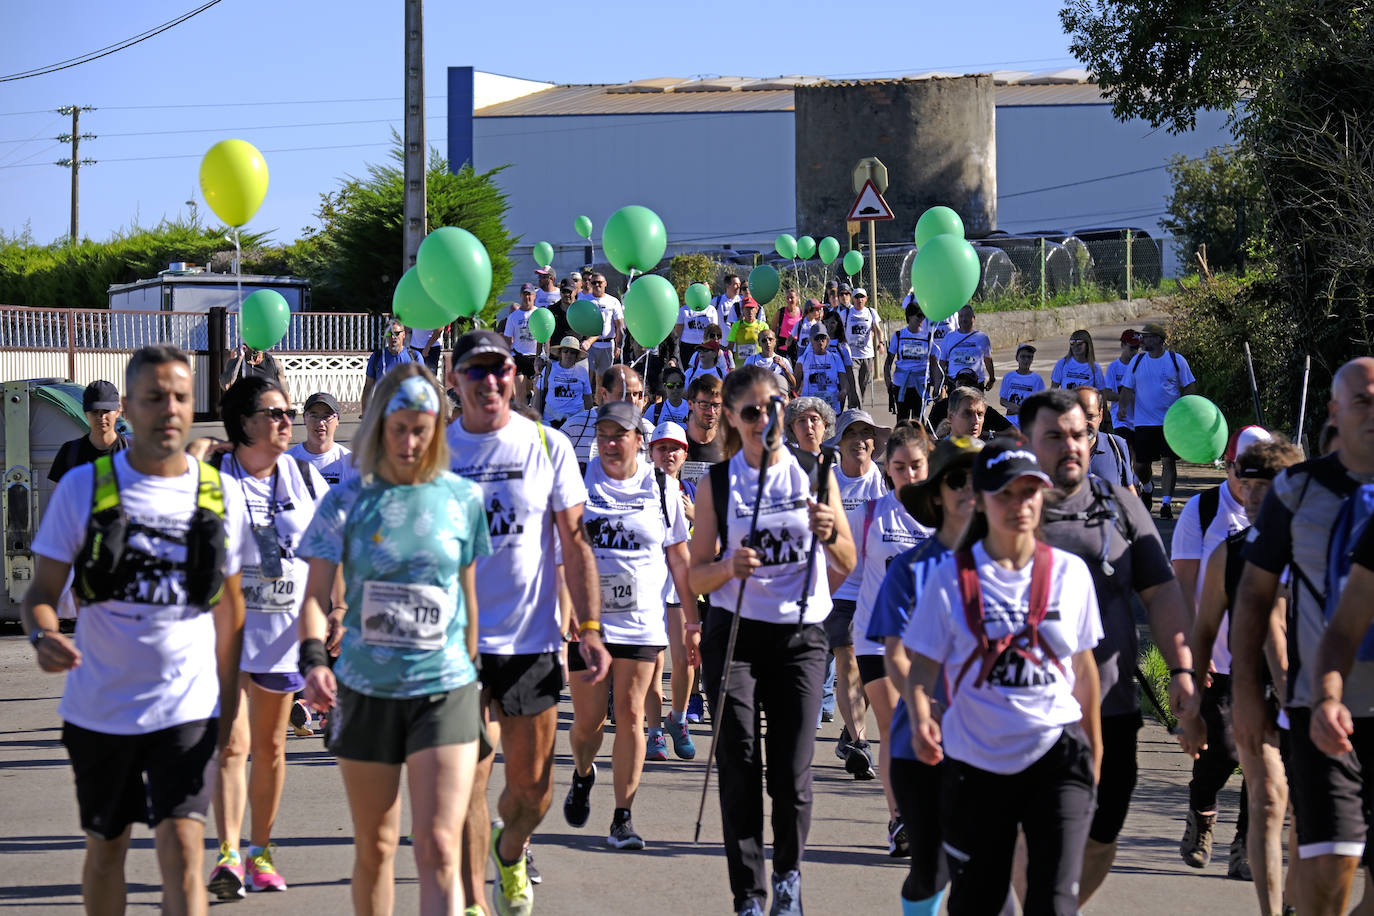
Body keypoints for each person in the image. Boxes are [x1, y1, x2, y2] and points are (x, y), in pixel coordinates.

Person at [21, 344, 252, 916]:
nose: (169, 409)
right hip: (101, 709)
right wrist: (42, 636)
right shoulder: (85, 488)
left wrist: (230, 710)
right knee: (107, 850)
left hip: (186, 708)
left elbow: (232, 614)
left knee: (181, 849)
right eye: (154, 398)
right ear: (128, 407)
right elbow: (40, 597)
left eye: (179, 397)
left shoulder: (218, 493)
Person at [296, 364, 490, 915]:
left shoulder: (462, 499)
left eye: (421, 429)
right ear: (379, 426)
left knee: (437, 846)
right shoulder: (346, 500)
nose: (409, 442)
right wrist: (314, 661)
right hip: (366, 689)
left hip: (444, 690)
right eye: (398, 427)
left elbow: (470, 603)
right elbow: (313, 599)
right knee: (377, 847)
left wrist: (477, 677)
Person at [445, 330, 611, 916]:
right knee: (465, 782)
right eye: (475, 370)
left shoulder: (547, 443)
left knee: (532, 792)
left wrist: (589, 626)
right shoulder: (437, 453)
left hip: (532, 641)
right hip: (454, 649)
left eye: (500, 369)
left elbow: (575, 542)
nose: (489, 381)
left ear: (516, 375)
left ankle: (510, 849)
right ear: (454, 377)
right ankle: (469, 899)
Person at [906, 437, 1104, 916]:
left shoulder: (1072, 573)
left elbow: (1084, 671)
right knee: (979, 902)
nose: (1020, 505)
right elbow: (923, 668)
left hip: (1057, 758)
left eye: (1029, 492)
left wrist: (1094, 757)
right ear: (981, 499)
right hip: (975, 763)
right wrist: (919, 719)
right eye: (1005, 494)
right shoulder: (950, 578)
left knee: (1053, 902)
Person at [1018, 388, 1199, 904]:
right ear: (1026, 442)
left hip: (1113, 706)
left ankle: (1060, 903)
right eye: (1054, 436)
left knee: (1104, 829)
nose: (1070, 445)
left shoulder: (1119, 505)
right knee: (1034, 831)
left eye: (1079, 434)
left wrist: (1182, 672)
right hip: (1027, 708)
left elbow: (1161, 591)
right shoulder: (1004, 512)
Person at [688, 365, 855, 916]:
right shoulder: (717, 482)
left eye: (774, 406)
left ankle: (787, 875)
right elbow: (695, 576)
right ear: (733, 420)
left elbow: (847, 562)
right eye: (752, 412)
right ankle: (749, 895)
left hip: (801, 637)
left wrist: (830, 534)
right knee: (739, 761)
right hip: (735, 635)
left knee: (791, 770)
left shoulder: (814, 472)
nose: (766, 419)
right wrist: (727, 566)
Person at [1232, 357, 1374, 916]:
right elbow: (1253, 598)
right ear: (1335, 412)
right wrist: (1247, 694)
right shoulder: (1298, 489)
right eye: (1362, 400)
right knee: (1328, 872)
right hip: (1320, 708)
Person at [207, 377, 328, 898]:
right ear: (243, 423)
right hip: (225, 636)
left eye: (288, 412)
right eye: (273, 413)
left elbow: (327, 553)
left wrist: (335, 609)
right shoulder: (212, 475)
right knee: (233, 746)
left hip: (283, 636)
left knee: (272, 749)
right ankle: (229, 855)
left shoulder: (304, 476)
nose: (286, 421)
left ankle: (261, 850)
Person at [563, 401, 694, 849]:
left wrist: (691, 618)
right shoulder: (579, 481)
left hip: (642, 622)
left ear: (640, 439)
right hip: (590, 623)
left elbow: (678, 554)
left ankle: (623, 817)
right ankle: (583, 773)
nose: (610, 443)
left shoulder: (662, 486)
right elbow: (564, 548)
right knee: (587, 723)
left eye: (619, 435)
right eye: (602, 435)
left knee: (632, 715)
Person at [1191, 436, 1304, 915]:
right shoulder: (1230, 553)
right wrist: (1191, 698)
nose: (1255, 498)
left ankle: (1298, 898)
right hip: (1249, 690)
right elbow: (1204, 630)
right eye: (1248, 485)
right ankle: (1273, 907)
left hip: (1319, 693)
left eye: (1268, 487)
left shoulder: (1323, 551)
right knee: (1269, 797)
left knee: (1301, 811)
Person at [871, 435, 983, 914]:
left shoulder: (1010, 564)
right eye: (955, 479)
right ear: (936, 493)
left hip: (990, 740)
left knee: (979, 867)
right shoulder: (911, 568)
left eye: (979, 478)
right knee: (931, 868)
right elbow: (893, 651)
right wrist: (923, 708)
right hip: (920, 743)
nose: (969, 489)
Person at [848, 423, 933, 855]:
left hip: (931, 642)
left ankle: (928, 812)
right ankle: (901, 819)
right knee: (896, 725)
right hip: (876, 637)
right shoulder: (871, 512)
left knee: (929, 729)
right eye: (899, 467)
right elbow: (843, 565)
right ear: (887, 468)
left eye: (916, 466)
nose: (909, 475)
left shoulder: (948, 517)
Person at [825, 409, 891, 780]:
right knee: (848, 660)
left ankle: (849, 735)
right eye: (853, 434)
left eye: (867, 434)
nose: (861, 440)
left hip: (877, 588)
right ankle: (862, 744)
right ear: (841, 443)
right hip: (839, 589)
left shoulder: (881, 481)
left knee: (870, 673)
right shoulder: (829, 482)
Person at [648, 420, 699, 759]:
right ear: (650, 452)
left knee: (684, 661)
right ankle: (654, 732)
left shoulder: (694, 492)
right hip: (650, 584)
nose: (668, 454)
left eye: (674, 449)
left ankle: (677, 719)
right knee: (654, 661)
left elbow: (716, 540)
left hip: (680, 585)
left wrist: (694, 515)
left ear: (685, 454)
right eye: (661, 448)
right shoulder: (641, 488)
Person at [1120, 322, 1197, 519]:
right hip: (1143, 422)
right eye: (1142, 337)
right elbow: (1127, 388)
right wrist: (1122, 408)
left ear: (1159, 339)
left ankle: (1166, 504)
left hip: (1170, 422)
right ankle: (1147, 487)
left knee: (1167, 461)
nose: (1143, 340)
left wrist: (1184, 409)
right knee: (1141, 465)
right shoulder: (1137, 362)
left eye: (1147, 337)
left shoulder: (1175, 360)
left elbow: (1189, 386)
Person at [555, 365, 650, 470]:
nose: (632, 401)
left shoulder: (648, 430)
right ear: (604, 393)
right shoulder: (575, 427)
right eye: (624, 394)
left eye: (636, 394)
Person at [49, 379, 130, 483]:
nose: (101, 417)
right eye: (95, 411)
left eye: (106, 410)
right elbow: (60, 496)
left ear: (118, 411)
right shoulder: (69, 453)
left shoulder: (133, 452)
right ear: (85, 412)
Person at [287, 392, 354, 487]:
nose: (320, 423)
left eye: (327, 416)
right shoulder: (288, 461)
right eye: (314, 416)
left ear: (337, 420)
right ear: (304, 419)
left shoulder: (350, 462)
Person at [886, 302, 937, 425]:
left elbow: (934, 361)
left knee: (918, 420)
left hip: (920, 384)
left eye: (923, 316)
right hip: (901, 384)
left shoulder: (927, 336)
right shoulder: (898, 336)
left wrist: (935, 383)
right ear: (909, 316)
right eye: (919, 316)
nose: (922, 319)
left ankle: (919, 443)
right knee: (902, 420)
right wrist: (888, 384)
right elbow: (888, 362)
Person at [1076, 387, 1135, 492]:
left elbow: (1129, 494)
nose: (1083, 422)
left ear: (1100, 415)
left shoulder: (1117, 446)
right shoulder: (1057, 451)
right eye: (1078, 416)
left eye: (1090, 416)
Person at [362, 319, 422, 413]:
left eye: (397, 333)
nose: (393, 337)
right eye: (390, 334)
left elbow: (421, 386)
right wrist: (365, 413)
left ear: (404, 334)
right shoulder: (377, 357)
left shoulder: (415, 357)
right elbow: (368, 387)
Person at [535, 336, 594, 428]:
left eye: (572, 352)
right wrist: (536, 419)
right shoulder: (549, 369)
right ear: (560, 353)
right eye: (565, 350)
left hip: (576, 420)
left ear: (576, 355)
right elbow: (538, 394)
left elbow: (588, 398)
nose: (568, 354)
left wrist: (590, 421)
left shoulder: (582, 372)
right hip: (551, 419)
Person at [797, 325, 856, 414]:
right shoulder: (803, 359)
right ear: (811, 341)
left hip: (831, 406)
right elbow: (796, 382)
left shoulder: (835, 358)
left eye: (823, 338)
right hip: (810, 406)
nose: (820, 341)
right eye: (817, 338)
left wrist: (844, 390)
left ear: (827, 340)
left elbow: (843, 379)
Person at [680, 375, 726, 486]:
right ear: (690, 404)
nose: (711, 412)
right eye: (704, 405)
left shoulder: (729, 446)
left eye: (716, 405)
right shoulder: (676, 445)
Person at [936, 306, 994, 392]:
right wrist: (938, 384)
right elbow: (941, 361)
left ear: (973, 318)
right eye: (961, 316)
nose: (963, 319)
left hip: (976, 383)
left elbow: (988, 359)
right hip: (955, 384)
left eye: (967, 316)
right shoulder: (949, 337)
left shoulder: (982, 337)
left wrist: (992, 378)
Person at [1101, 330, 1140, 454]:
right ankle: (1126, 473)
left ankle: (1134, 474)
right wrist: (1125, 398)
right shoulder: (1114, 367)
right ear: (1122, 345)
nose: (1135, 351)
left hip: (1140, 418)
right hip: (1121, 419)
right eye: (1132, 348)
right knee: (1125, 452)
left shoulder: (1140, 366)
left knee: (1139, 459)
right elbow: (1107, 394)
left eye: (1137, 348)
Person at [585, 274, 624, 396]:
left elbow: (619, 325)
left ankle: (599, 405)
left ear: (605, 283)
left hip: (607, 344)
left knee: (603, 380)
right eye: (594, 282)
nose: (597, 285)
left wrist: (619, 346)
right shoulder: (584, 300)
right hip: (589, 345)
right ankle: (587, 404)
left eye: (599, 282)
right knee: (587, 377)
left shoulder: (613, 301)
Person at [503, 283, 540, 405]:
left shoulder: (539, 314)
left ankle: (534, 417)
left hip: (535, 357)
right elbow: (508, 339)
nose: (527, 297)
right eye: (524, 294)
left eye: (529, 294)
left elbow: (545, 337)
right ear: (520, 296)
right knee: (519, 393)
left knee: (535, 392)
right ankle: (521, 417)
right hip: (519, 356)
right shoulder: (513, 316)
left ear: (534, 296)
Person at [843, 287, 884, 399]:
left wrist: (881, 343)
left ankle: (856, 409)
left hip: (867, 354)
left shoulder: (871, 312)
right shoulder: (846, 313)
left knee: (862, 386)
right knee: (854, 385)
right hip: (852, 356)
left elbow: (878, 330)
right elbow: (838, 330)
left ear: (866, 299)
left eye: (862, 297)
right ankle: (855, 410)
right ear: (853, 299)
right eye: (857, 297)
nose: (859, 300)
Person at [999, 345, 1047, 428]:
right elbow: (1002, 400)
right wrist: (1013, 406)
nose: (1026, 360)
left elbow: (1042, 402)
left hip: (1028, 420)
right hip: (1011, 419)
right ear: (1017, 358)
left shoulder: (1037, 379)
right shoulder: (1009, 376)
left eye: (1029, 357)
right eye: (1023, 356)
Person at [675, 290, 722, 369]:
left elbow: (714, 330)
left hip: (705, 346)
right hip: (687, 346)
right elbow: (678, 332)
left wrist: (715, 347)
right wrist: (676, 350)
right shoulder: (683, 309)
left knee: (704, 370)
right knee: (689, 371)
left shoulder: (711, 309)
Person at [743, 329, 796, 393]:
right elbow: (744, 382)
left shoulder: (783, 360)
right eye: (764, 340)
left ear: (775, 341)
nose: (768, 342)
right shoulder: (751, 360)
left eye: (770, 339)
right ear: (759, 343)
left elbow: (793, 385)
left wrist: (784, 368)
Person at [772, 287, 803, 362]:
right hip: (782, 348)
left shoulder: (802, 313)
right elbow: (772, 329)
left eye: (792, 297)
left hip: (797, 348)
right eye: (787, 298)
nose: (789, 300)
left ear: (797, 298)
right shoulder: (781, 312)